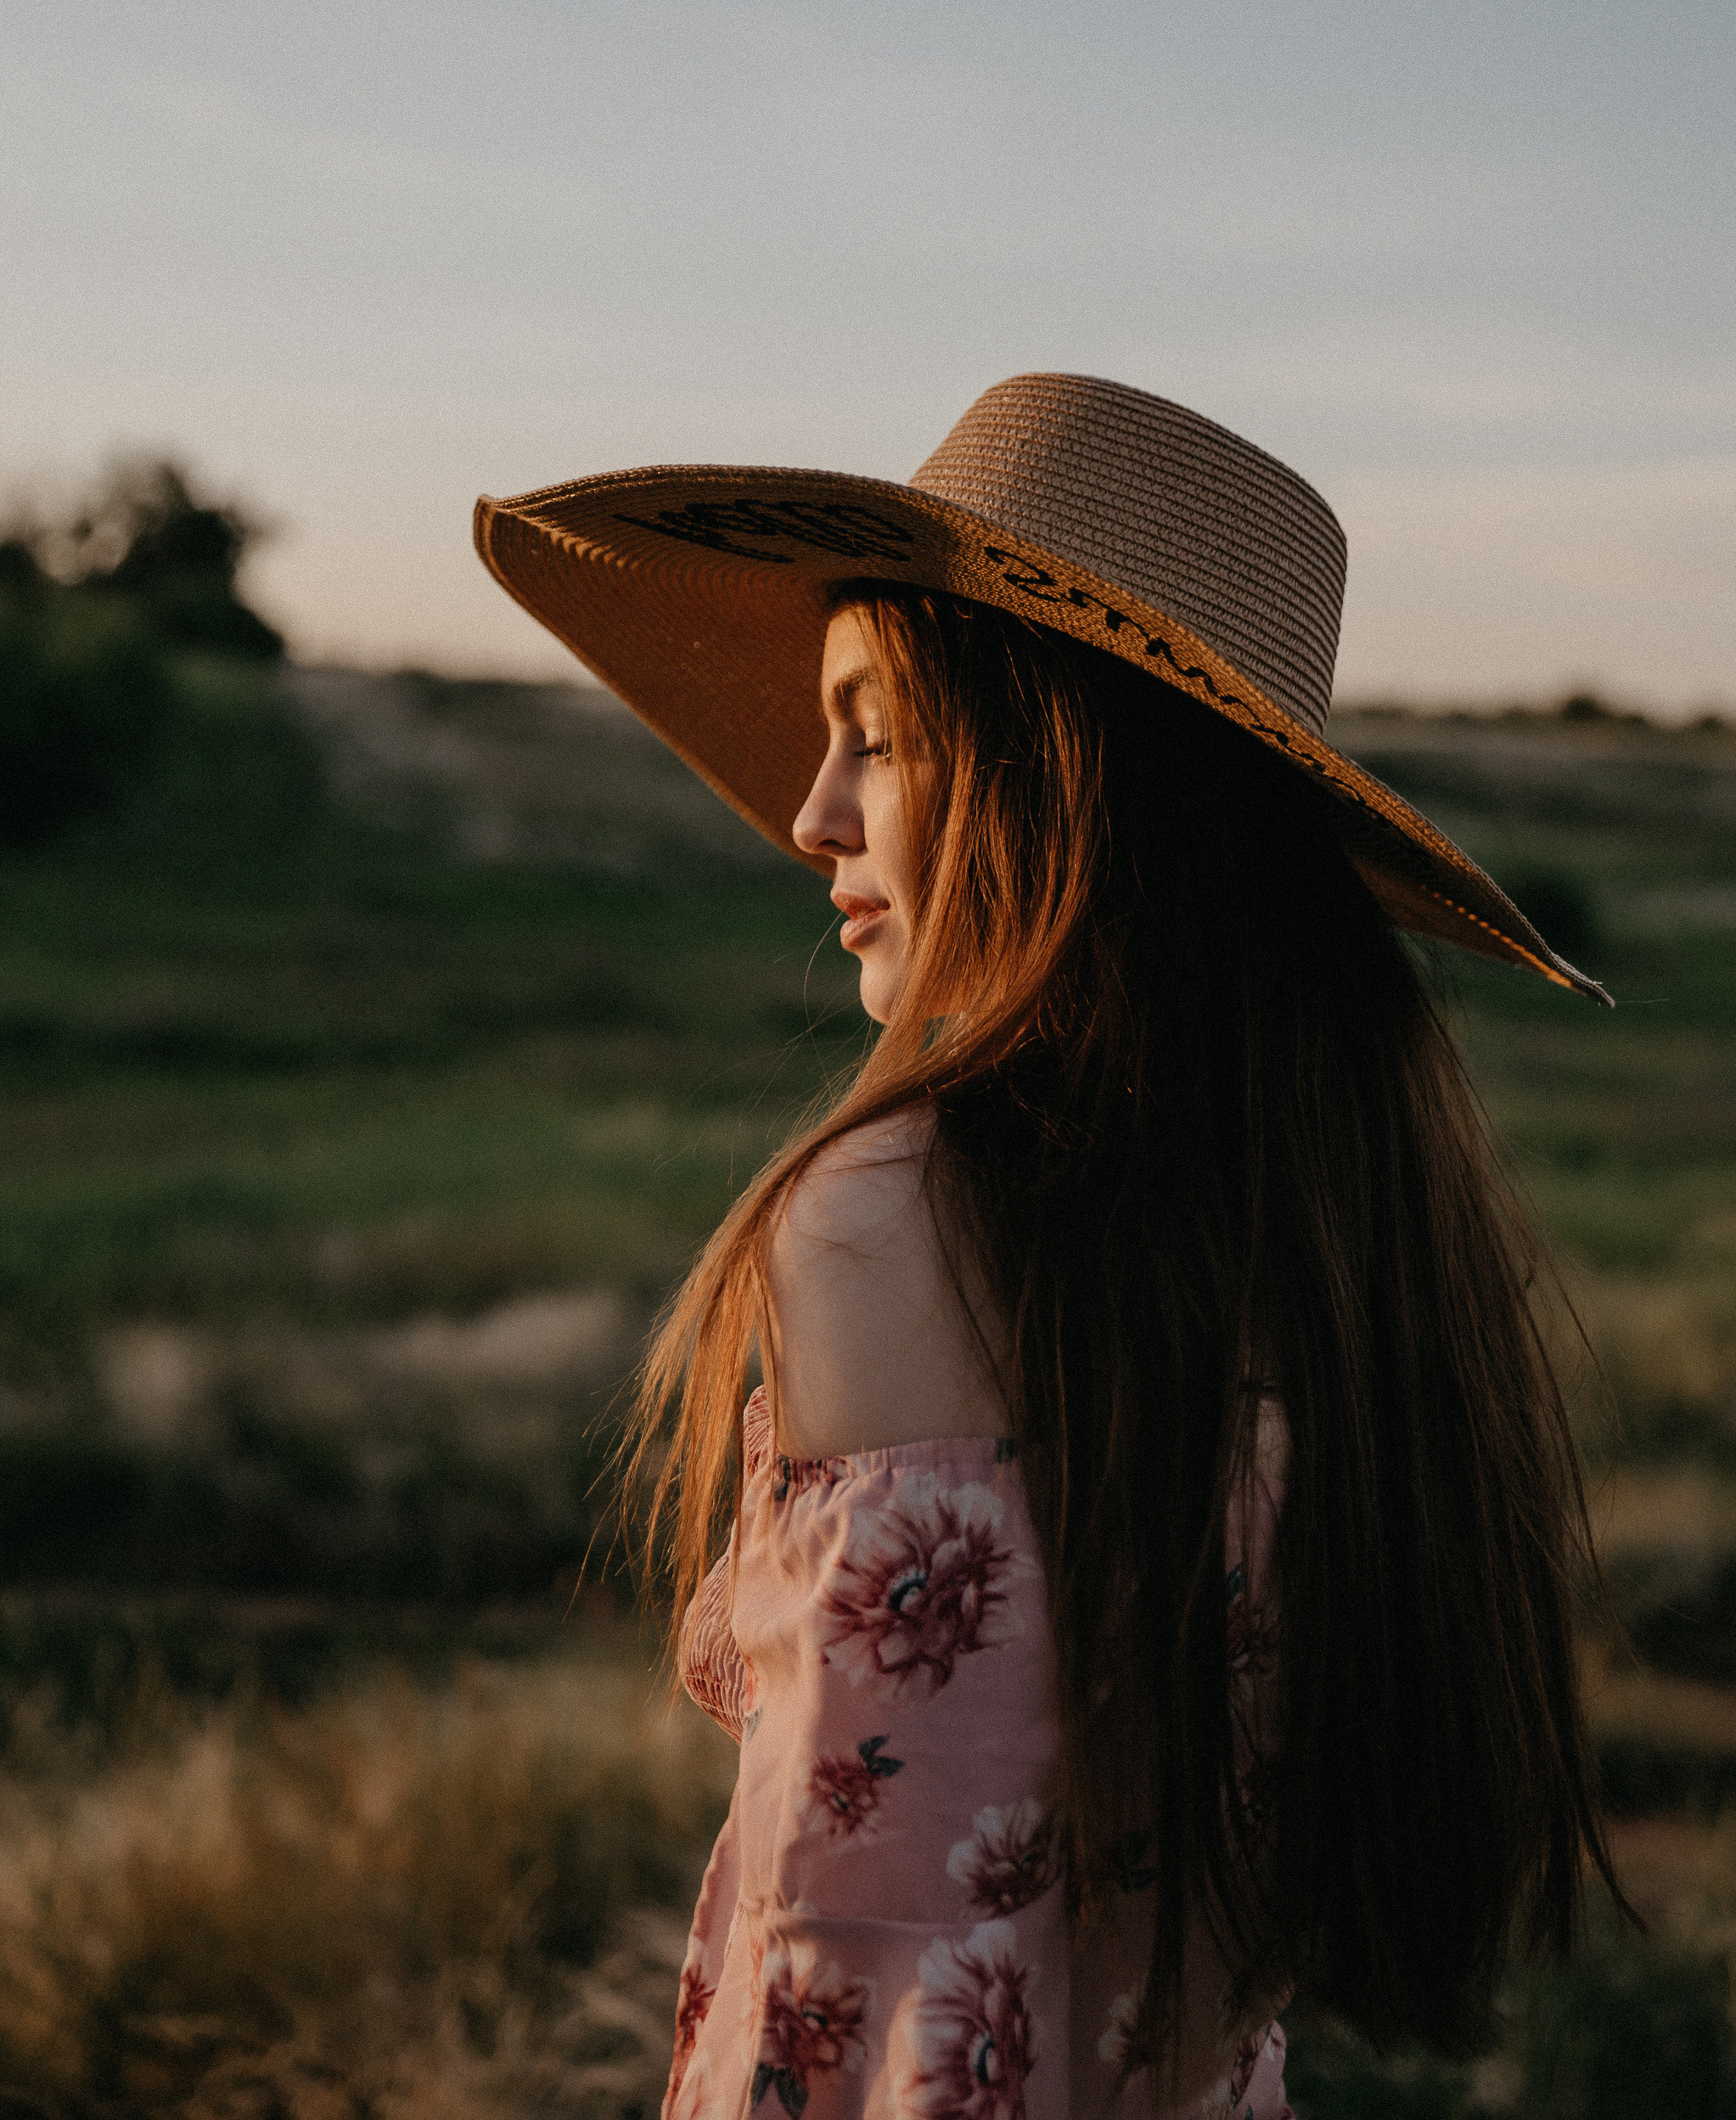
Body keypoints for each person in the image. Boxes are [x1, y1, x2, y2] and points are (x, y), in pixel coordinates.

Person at [475, 373, 1626, 2120]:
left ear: (1060, 768)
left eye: (877, 731)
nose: (811, 815)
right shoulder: (1330, 1243)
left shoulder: (886, 1220)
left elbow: (855, 1989)